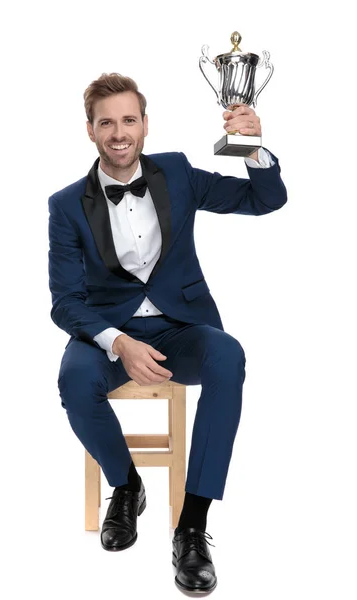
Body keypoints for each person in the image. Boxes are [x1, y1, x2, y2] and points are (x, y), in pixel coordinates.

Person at [48, 72, 287, 593]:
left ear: (145, 125)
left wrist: (254, 148)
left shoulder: (177, 173)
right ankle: (127, 486)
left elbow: (264, 199)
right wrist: (119, 342)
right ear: (89, 130)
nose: (118, 133)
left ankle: (193, 526)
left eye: (128, 120)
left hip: (181, 328)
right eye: (106, 122)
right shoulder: (66, 205)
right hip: (109, 335)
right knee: (72, 381)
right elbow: (65, 302)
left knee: (228, 356)